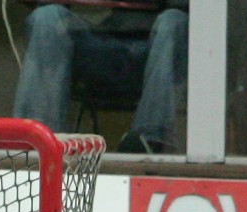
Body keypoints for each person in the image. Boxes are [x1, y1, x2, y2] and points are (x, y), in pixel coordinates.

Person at [12, 0, 189, 154]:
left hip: (156, 52)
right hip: (100, 48)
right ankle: (37, 140)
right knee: (47, 17)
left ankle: (149, 140)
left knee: (175, 20)